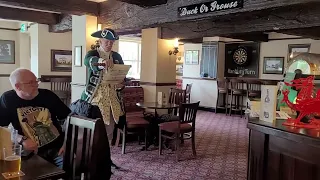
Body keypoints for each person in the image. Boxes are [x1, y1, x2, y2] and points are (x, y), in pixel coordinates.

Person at [0, 68, 71, 168]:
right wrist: (21, 139)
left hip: (58, 149)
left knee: (69, 169)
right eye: (31, 83)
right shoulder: (7, 99)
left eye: (36, 81)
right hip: (29, 152)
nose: (37, 85)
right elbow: (2, 128)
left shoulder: (48, 95)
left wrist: (66, 142)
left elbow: (69, 119)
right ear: (18, 86)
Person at [81, 28, 126, 168]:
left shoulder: (117, 56)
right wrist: (101, 62)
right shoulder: (93, 53)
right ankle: (92, 162)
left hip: (113, 100)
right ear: (100, 41)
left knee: (109, 132)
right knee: (94, 134)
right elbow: (88, 61)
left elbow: (121, 77)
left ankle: (106, 160)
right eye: (107, 41)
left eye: (112, 42)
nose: (109, 44)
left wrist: (120, 84)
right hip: (95, 100)